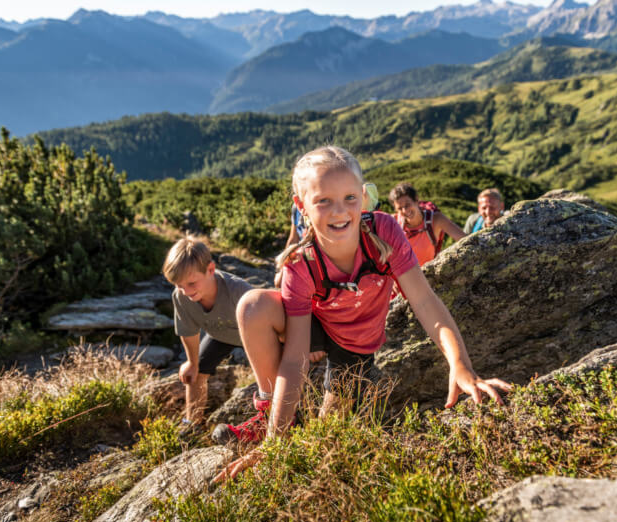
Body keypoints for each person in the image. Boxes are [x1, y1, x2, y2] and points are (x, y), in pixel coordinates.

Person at [215, 146, 511, 481]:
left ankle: (295, 420)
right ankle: (273, 414)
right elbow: (294, 357)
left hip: (354, 345)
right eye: (323, 200)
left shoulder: (383, 232)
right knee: (253, 306)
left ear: (364, 197)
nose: (339, 211)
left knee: (324, 442)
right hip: (315, 324)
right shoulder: (301, 263)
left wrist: (461, 365)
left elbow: (425, 302)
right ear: (301, 206)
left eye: (349, 198)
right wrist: (275, 444)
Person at [162, 236, 253, 434]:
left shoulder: (240, 291)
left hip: (254, 334)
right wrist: (192, 363)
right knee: (195, 375)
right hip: (219, 334)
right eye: (179, 285)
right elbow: (189, 331)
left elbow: (272, 322)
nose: (186, 291)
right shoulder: (181, 296)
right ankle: (192, 427)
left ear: (210, 270)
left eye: (192, 283)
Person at [274, 182, 379, 287]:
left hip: (322, 260)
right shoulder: (295, 209)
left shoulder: (328, 208)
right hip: (305, 257)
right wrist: (283, 267)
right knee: (279, 284)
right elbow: (293, 238)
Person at [389, 182, 466, 266]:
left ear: (416, 200)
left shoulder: (436, 220)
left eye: (407, 205)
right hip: (403, 276)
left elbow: (466, 239)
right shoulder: (393, 222)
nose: (404, 211)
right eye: (400, 208)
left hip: (428, 274)